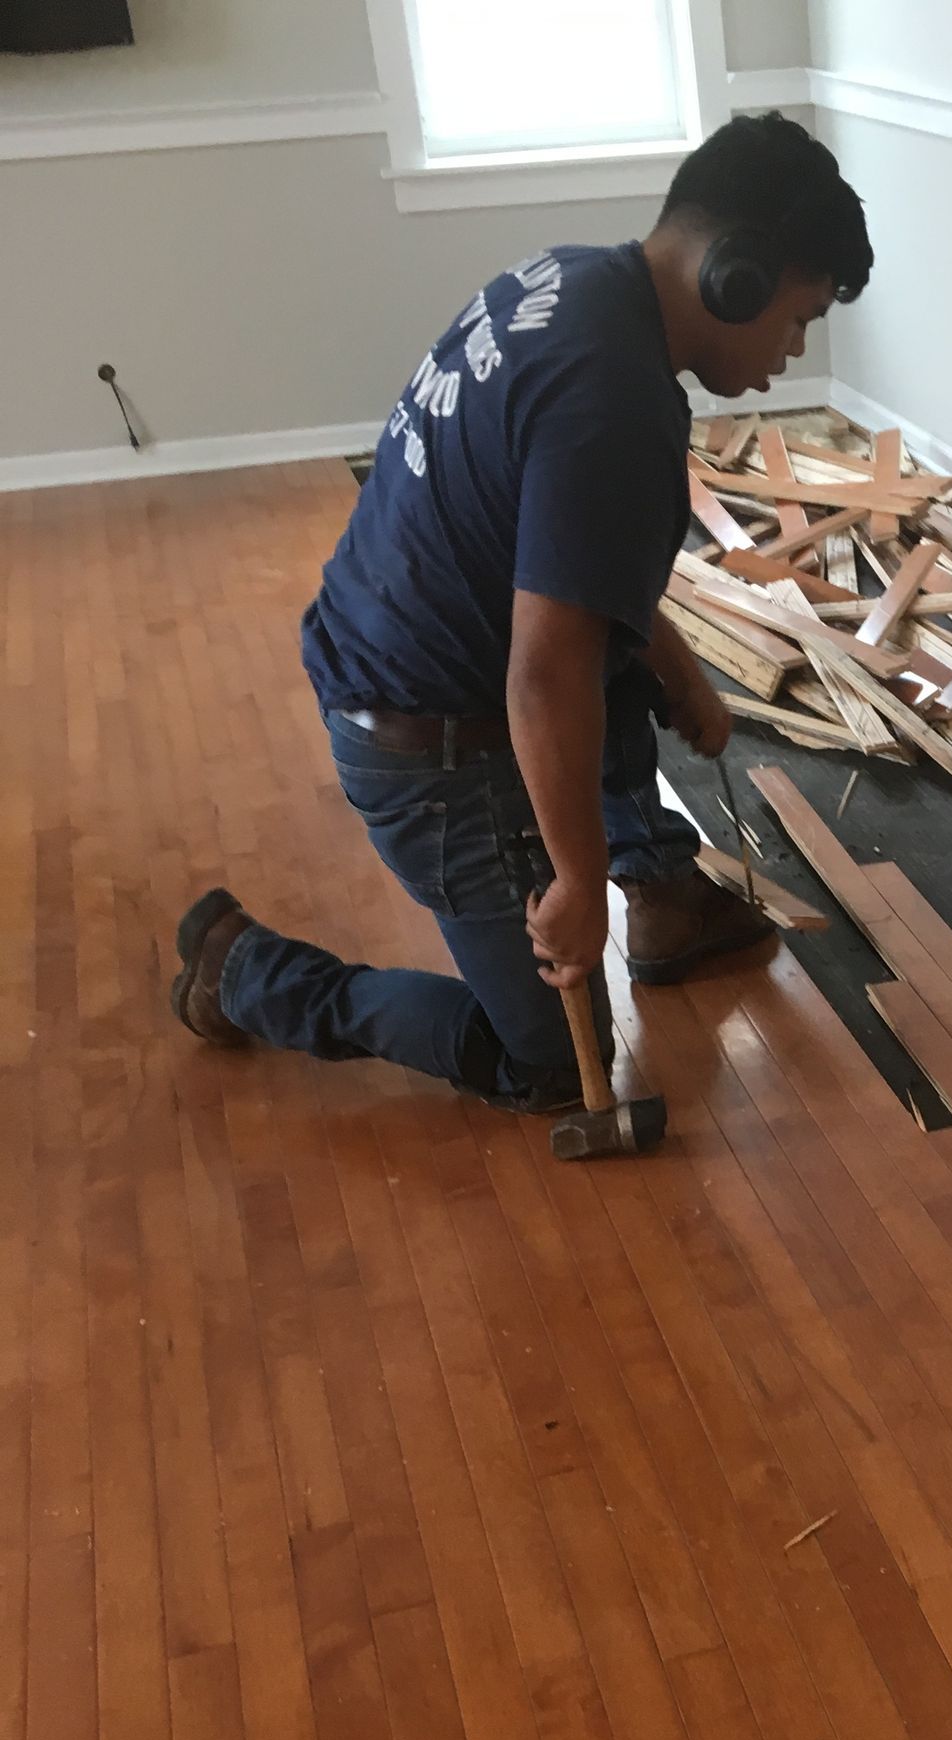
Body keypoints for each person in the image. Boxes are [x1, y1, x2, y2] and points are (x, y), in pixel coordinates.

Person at [169, 112, 872, 1132]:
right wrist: (577, 882)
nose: (792, 349)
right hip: (427, 749)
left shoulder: (573, 282)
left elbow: (573, 565)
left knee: (620, 674)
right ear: (739, 278)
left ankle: (663, 888)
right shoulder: (618, 404)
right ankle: (247, 971)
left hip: (387, 649)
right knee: (540, 1057)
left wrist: (675, 668)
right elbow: (545, 677)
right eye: (798, 317)